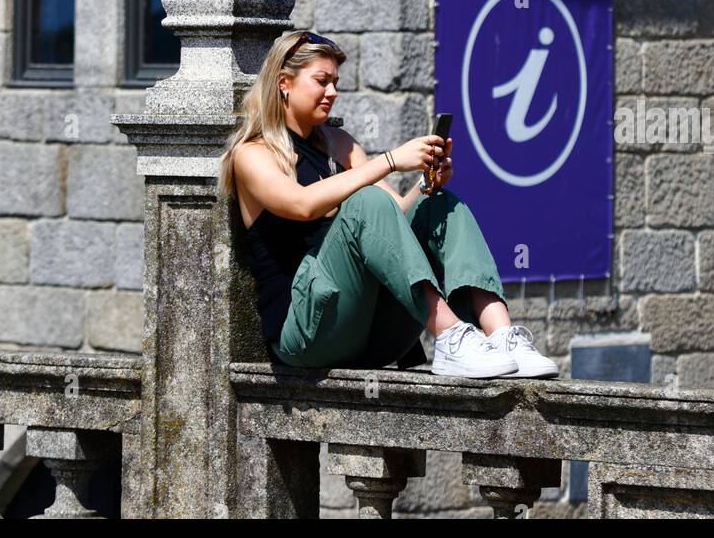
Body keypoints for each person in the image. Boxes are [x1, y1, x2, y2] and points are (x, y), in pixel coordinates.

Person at [217, 29, 559, 379]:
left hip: (375, 335)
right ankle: (451, 333)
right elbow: (301, 205)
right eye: (322, 81)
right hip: (308, 334)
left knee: (439, 206)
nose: (332, 92)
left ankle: (502, 336)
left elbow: (395, 217)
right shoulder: (252, 153)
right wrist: (391, 160)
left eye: (335, 82)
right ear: (284, 82)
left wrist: (426, 186)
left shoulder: (340, 145)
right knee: (366, 200)